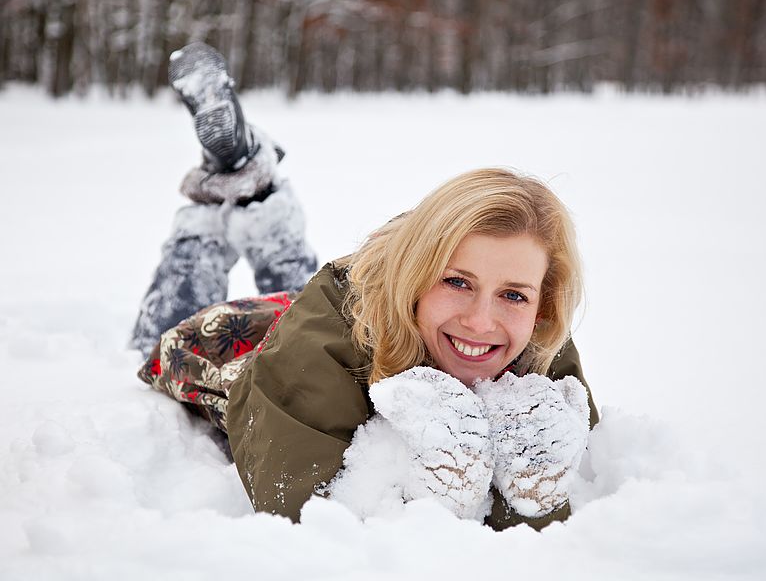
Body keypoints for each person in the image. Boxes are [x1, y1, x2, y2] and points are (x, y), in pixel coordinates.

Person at [134, 43, 599, 532]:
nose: (482, 321)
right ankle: (223, 201)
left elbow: (566, 517)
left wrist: (535, 489)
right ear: (417, 273)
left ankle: (255, 183)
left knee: (296, 280)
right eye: (457, 281)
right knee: (173, 325)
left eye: (513, 295)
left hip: (334, 312)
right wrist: (446, 491)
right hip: (235, 345)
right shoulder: (322, 341)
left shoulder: (539, 335)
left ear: (543, 305)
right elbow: (307, 516)